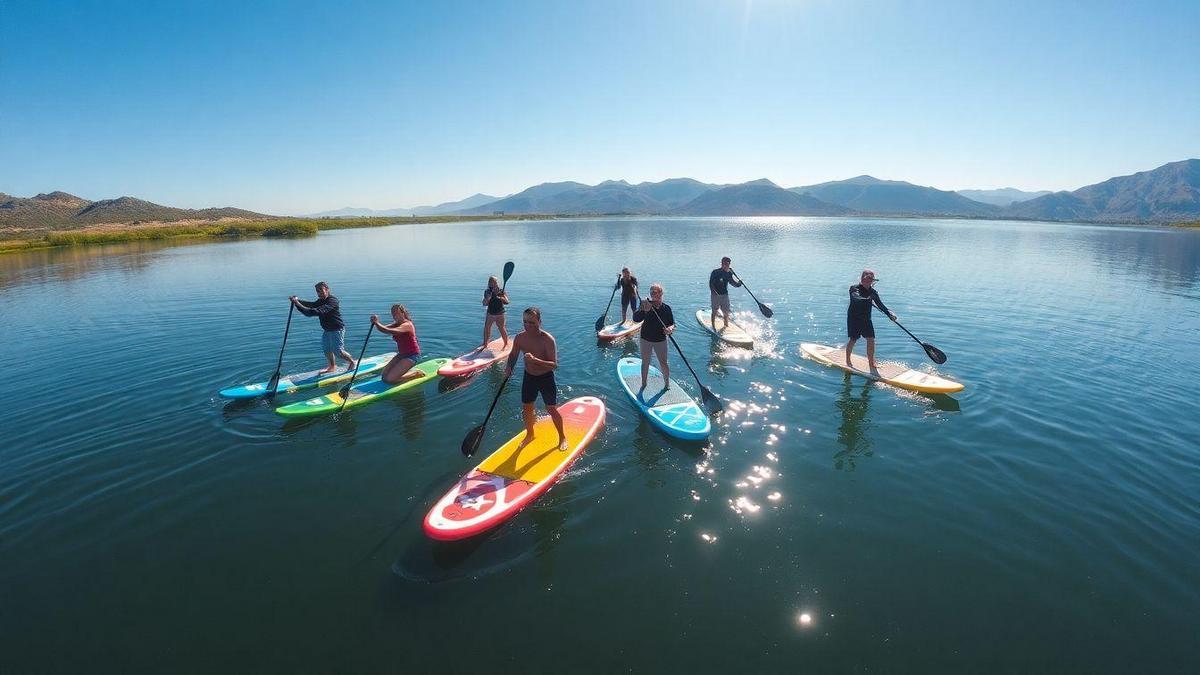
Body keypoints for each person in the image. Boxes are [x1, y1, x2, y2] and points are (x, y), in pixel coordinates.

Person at [504, 307, 567, 450]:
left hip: (545, 377)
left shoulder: (547, 340)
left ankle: (562, 437)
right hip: (529, 377)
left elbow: (554, 365)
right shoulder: (520, 338)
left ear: (539, 321)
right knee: (527, 408)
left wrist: (535, 360)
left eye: (532, 322)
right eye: (525, 322)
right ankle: (530, 434)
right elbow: (513, 355)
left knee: (551, 408)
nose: (528, 325)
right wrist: (509, 367)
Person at [290, 281, 355, 375]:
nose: (319, 293)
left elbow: (314, 312)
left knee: (338, 351)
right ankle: (332, 367)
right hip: (327, 330)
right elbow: (311, 306)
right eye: (317, 291)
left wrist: (297, 303)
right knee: (327, 349)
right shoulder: (320, 301)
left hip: (337, 329)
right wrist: (296, 302)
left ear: (327, 289)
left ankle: (352, 362)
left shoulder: (332, 301)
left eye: (321, 290)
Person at [845, 269, 897, 372]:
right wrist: (869, 298)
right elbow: (856, 298)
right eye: (868, 278)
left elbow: (880, 305)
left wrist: (889, 314)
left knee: (871, 339)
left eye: (871, 279)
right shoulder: (854, 288)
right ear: (862, 279)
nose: (870, 281)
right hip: (854, 318)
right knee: (853, 339)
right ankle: (848, 360)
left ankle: (871, 362)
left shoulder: (873, 292)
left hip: (866, 319)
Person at [632, 282, 675, 391]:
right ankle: (643, 384)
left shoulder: (667, 308)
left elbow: (672, 323)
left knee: (663, 363)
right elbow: (636, 319)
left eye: (654, 292)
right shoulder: (645, 304)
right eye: (651, 291)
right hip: (645, 339)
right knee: (645, 362)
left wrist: (670, 329)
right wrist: (643, 310)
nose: (652, 294)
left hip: (660, 340)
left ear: (661, 293)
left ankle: (667, 385)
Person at [371, 304, 423, 384]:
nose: (395, 316)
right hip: (402, 354)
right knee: (384, 377)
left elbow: (389, 330)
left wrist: (377, 323)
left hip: (412, 355)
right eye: (393, 314)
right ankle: (401, 372)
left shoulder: (407, 325)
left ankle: (415, 374)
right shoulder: (396, 324)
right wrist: (375, 323)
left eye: (397, 313)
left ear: (403, 313)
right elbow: (383, 329)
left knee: (390, 380)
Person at [708, 256, 742, 332]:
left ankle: (726, 325)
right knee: (714, 311)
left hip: (724, 295)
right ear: (722, 263)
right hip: (715, 295)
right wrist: (714, 292)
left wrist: (739, 284)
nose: (726, 265)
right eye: (725, 263)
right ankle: (713, 326)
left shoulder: (729, 273)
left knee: (726, 312)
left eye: (728, 264)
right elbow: (711, 283)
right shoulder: (715, 272)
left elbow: (732, 283)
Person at [481, 275, 509, 349]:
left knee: (501, 328)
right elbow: (484, 304)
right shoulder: (487, 292)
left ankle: (506, 344)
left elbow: (507, 302)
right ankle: (485, 345)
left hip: (500, 314)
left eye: (494, 282)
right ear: (489, 283)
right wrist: (488, 298)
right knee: (487, 328)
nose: (492, 284)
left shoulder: (501, 291)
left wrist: (500, 297)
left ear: (496, 283)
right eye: (490, 282)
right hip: (490, 314)